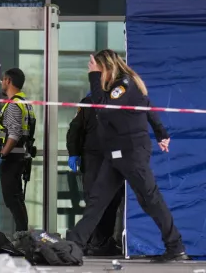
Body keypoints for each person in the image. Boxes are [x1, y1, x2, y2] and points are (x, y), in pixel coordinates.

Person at [66, 49, 188, 263]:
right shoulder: (118, 86)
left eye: (96, 68)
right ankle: (74, 244)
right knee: (97, 200)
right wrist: (161, 132)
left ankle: (175, 247)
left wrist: (93, 77)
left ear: (106, 68)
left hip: (131, 152)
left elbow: (103, 107)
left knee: (150, 199)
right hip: (115, 154)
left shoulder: (124, 84)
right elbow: (148, 107)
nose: (92, 70)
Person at [67, 90, 171, 256]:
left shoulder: (121, 99)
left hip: (114, 156)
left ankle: (100, 241)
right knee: (96, 199)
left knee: (110, 200)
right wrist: (73, 152)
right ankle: (92, 241)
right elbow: (75, 128)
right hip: (95, 157)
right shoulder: (89, 101)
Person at [0, 68, 36, 234]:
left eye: (3, 80)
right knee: (16, 198)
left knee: (12, 198)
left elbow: (14, 134)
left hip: (11, 157)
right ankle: (22, 233)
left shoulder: (13, 105)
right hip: (19, 156)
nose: (2, 83)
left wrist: (2, 155)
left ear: (8, 80)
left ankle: (22, 234)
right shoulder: (24, 103)